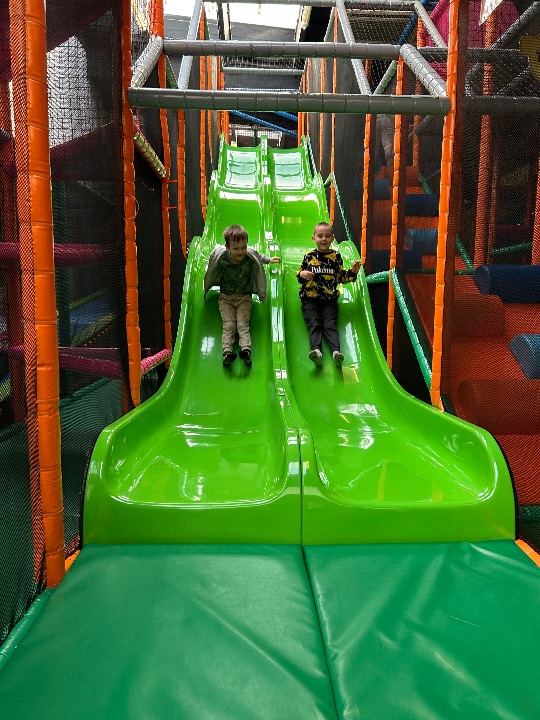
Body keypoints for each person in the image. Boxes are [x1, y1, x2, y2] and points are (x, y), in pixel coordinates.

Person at [204, 224, 280, 366]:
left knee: (243, 325)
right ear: (227, 247)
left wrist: (268, 260)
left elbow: (258, 256)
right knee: (229, 325)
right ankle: (227, 353)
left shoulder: (248, 256)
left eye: (243, 247)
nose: (240, 251)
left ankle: (246, 351)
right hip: (225, 298)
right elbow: (212, 264)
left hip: (244, 297)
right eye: (236, 248)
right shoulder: (222, 257)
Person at [296, 222, 360, 368]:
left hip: (329, 299)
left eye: (327, 236)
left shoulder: (336, 257)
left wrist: (353, 272)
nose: (324, 239)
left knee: (329, 324)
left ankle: (336, 352)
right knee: (314, 323)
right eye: (320, 236)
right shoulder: (309, 256)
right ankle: (316, 351)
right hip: (310, 297)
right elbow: (300, 274)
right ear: (314, 238)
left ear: (332, 238)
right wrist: (302, 274)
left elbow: (341, 277)